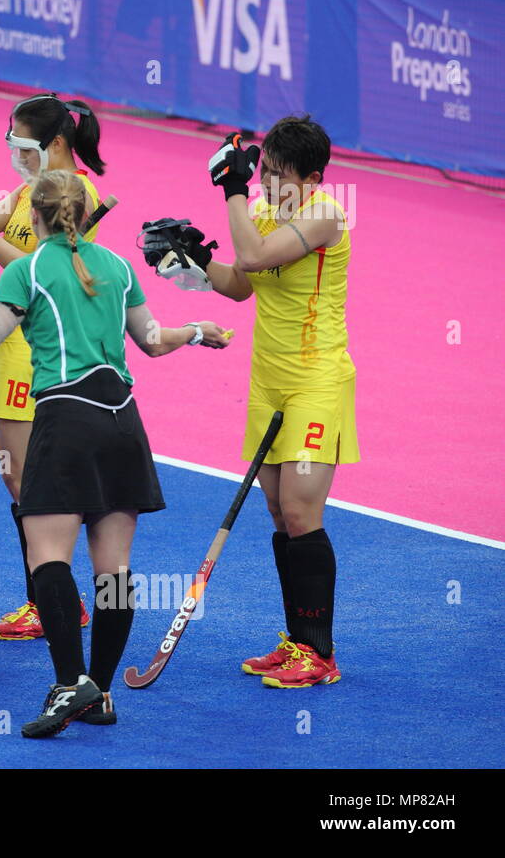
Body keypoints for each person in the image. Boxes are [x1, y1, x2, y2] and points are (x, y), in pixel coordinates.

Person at [0, 169, 230, 735]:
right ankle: (98, 692)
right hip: (124, 423)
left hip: (66, 421)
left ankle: (70, 682)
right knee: (114, 572)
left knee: (47, 558)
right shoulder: (120, 268)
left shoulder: (25, 271)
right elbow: (152, 342)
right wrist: (197, 331)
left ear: (34, 218)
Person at [150, 115, 355, 688]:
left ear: (312, 178)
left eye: (279, 177)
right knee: (277, 512)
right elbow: (242, 281)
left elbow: (255, 257)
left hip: (316, 381)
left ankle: (320, 653)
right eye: (263, 173)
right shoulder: (265, 213)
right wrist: (187, 262)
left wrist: (232, 190)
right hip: (268, 382)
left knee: (300, 511)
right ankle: (297, 640)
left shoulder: (324, 214)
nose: (266, 185)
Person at [0, 93, 106, 641]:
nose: (16, 155)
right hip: (6, 346)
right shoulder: (29, 190)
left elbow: (48, 269)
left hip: (39, 352)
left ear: (56, 144)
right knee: (17, 479)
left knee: (36, 483)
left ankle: (59, 600)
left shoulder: (80, 194)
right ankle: (44, 597)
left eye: (23, 145)